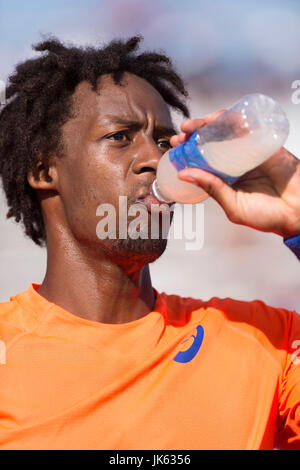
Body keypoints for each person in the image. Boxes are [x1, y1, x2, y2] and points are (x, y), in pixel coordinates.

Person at [0, 35, 299, 451]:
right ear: (44, 170)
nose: (154, 160)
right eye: (120, 136)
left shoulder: (269, 340)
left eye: (163, 142)